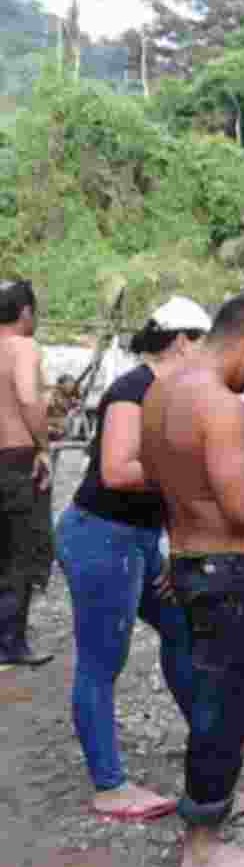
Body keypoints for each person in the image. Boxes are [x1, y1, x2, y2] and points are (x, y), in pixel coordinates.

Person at [140, 290, 244, 867]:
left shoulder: (160, 392)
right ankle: (201, 846)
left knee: (212, 699)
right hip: (230, 571)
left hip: (187, 559)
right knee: (226, 709)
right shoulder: (221, 404)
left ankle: (214, 801)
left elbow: (172, 478)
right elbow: (239, 506)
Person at [56, 298, 211, 818]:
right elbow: (118, 470)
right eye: (204, 342)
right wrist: (187, 468)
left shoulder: (172, 392)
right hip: (103, 536)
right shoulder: (133, 389)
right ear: (184, 340)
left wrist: (168, 547)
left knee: (180, 627)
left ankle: (209, 742)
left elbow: (162, 491)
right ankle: (109, 784)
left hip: (138, 540)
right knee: (102, 662)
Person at [0, 278, 55, 667]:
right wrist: (43, 446)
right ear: (25, 312)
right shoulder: (21, 346)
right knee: (21, 550)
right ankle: (10, 643)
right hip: (16, 457)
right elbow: (26, 396)